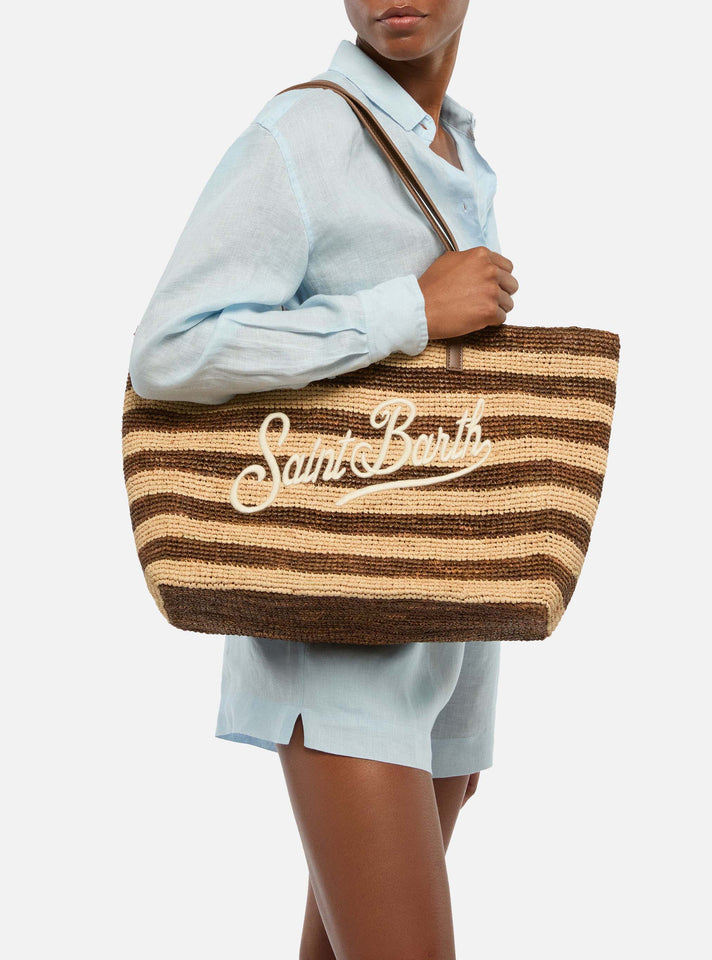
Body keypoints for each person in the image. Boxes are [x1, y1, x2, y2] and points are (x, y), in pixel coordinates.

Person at [129, 1, 519, 956]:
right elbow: (168, 353)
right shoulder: (306, 131)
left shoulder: (456, 143)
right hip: (336, 627)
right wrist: (406, 310)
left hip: (452, 622)